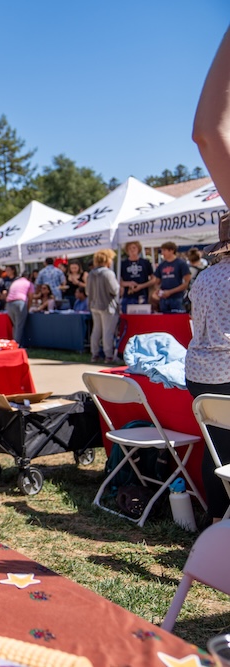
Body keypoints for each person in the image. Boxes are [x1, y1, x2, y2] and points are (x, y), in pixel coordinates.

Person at [189, 24, 230, 524]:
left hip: (201, 371)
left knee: (214, 452)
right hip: (221, 371)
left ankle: (212, 523)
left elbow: (206, 131)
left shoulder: (203, 277)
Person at [86, 249, 121, 364]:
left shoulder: (91, 274)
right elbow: (114, 289)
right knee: (107, 332)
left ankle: (94, 354)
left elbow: (87, 291)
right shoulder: (108, 273)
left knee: (96, 330)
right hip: (107, 306)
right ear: (107, 259)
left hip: (94, 305)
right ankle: (109, 356)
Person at [146, 241, 191, 313]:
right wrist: (158, 291)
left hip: (178, 297)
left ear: (171, 250)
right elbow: (156, 281)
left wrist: (170, 292)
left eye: (164, 250)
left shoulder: (181, 263)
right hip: (163, 298)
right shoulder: (162, 265)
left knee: (177, 319)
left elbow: (187, 282)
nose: (162, 253)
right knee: (165, 321)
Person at [119, 240, 153, 313]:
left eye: (134, 248)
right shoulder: (123, 264)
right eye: (130, 249)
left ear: (138, 249)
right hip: (128, 296)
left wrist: (141, 286)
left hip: (143, 295)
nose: (132, 250)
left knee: (142, 320)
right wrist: (128, 283)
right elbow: (118, 281)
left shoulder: (145, 262)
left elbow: (153, 279)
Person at [3, 265, 33, 347]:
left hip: (9, 304)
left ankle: (16, 343)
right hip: (19, 303)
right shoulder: (29, 283)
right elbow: (30, 298)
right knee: (19, 326)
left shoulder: (16, 282)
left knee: (15, 325)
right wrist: (28, 308)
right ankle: (16, 345)